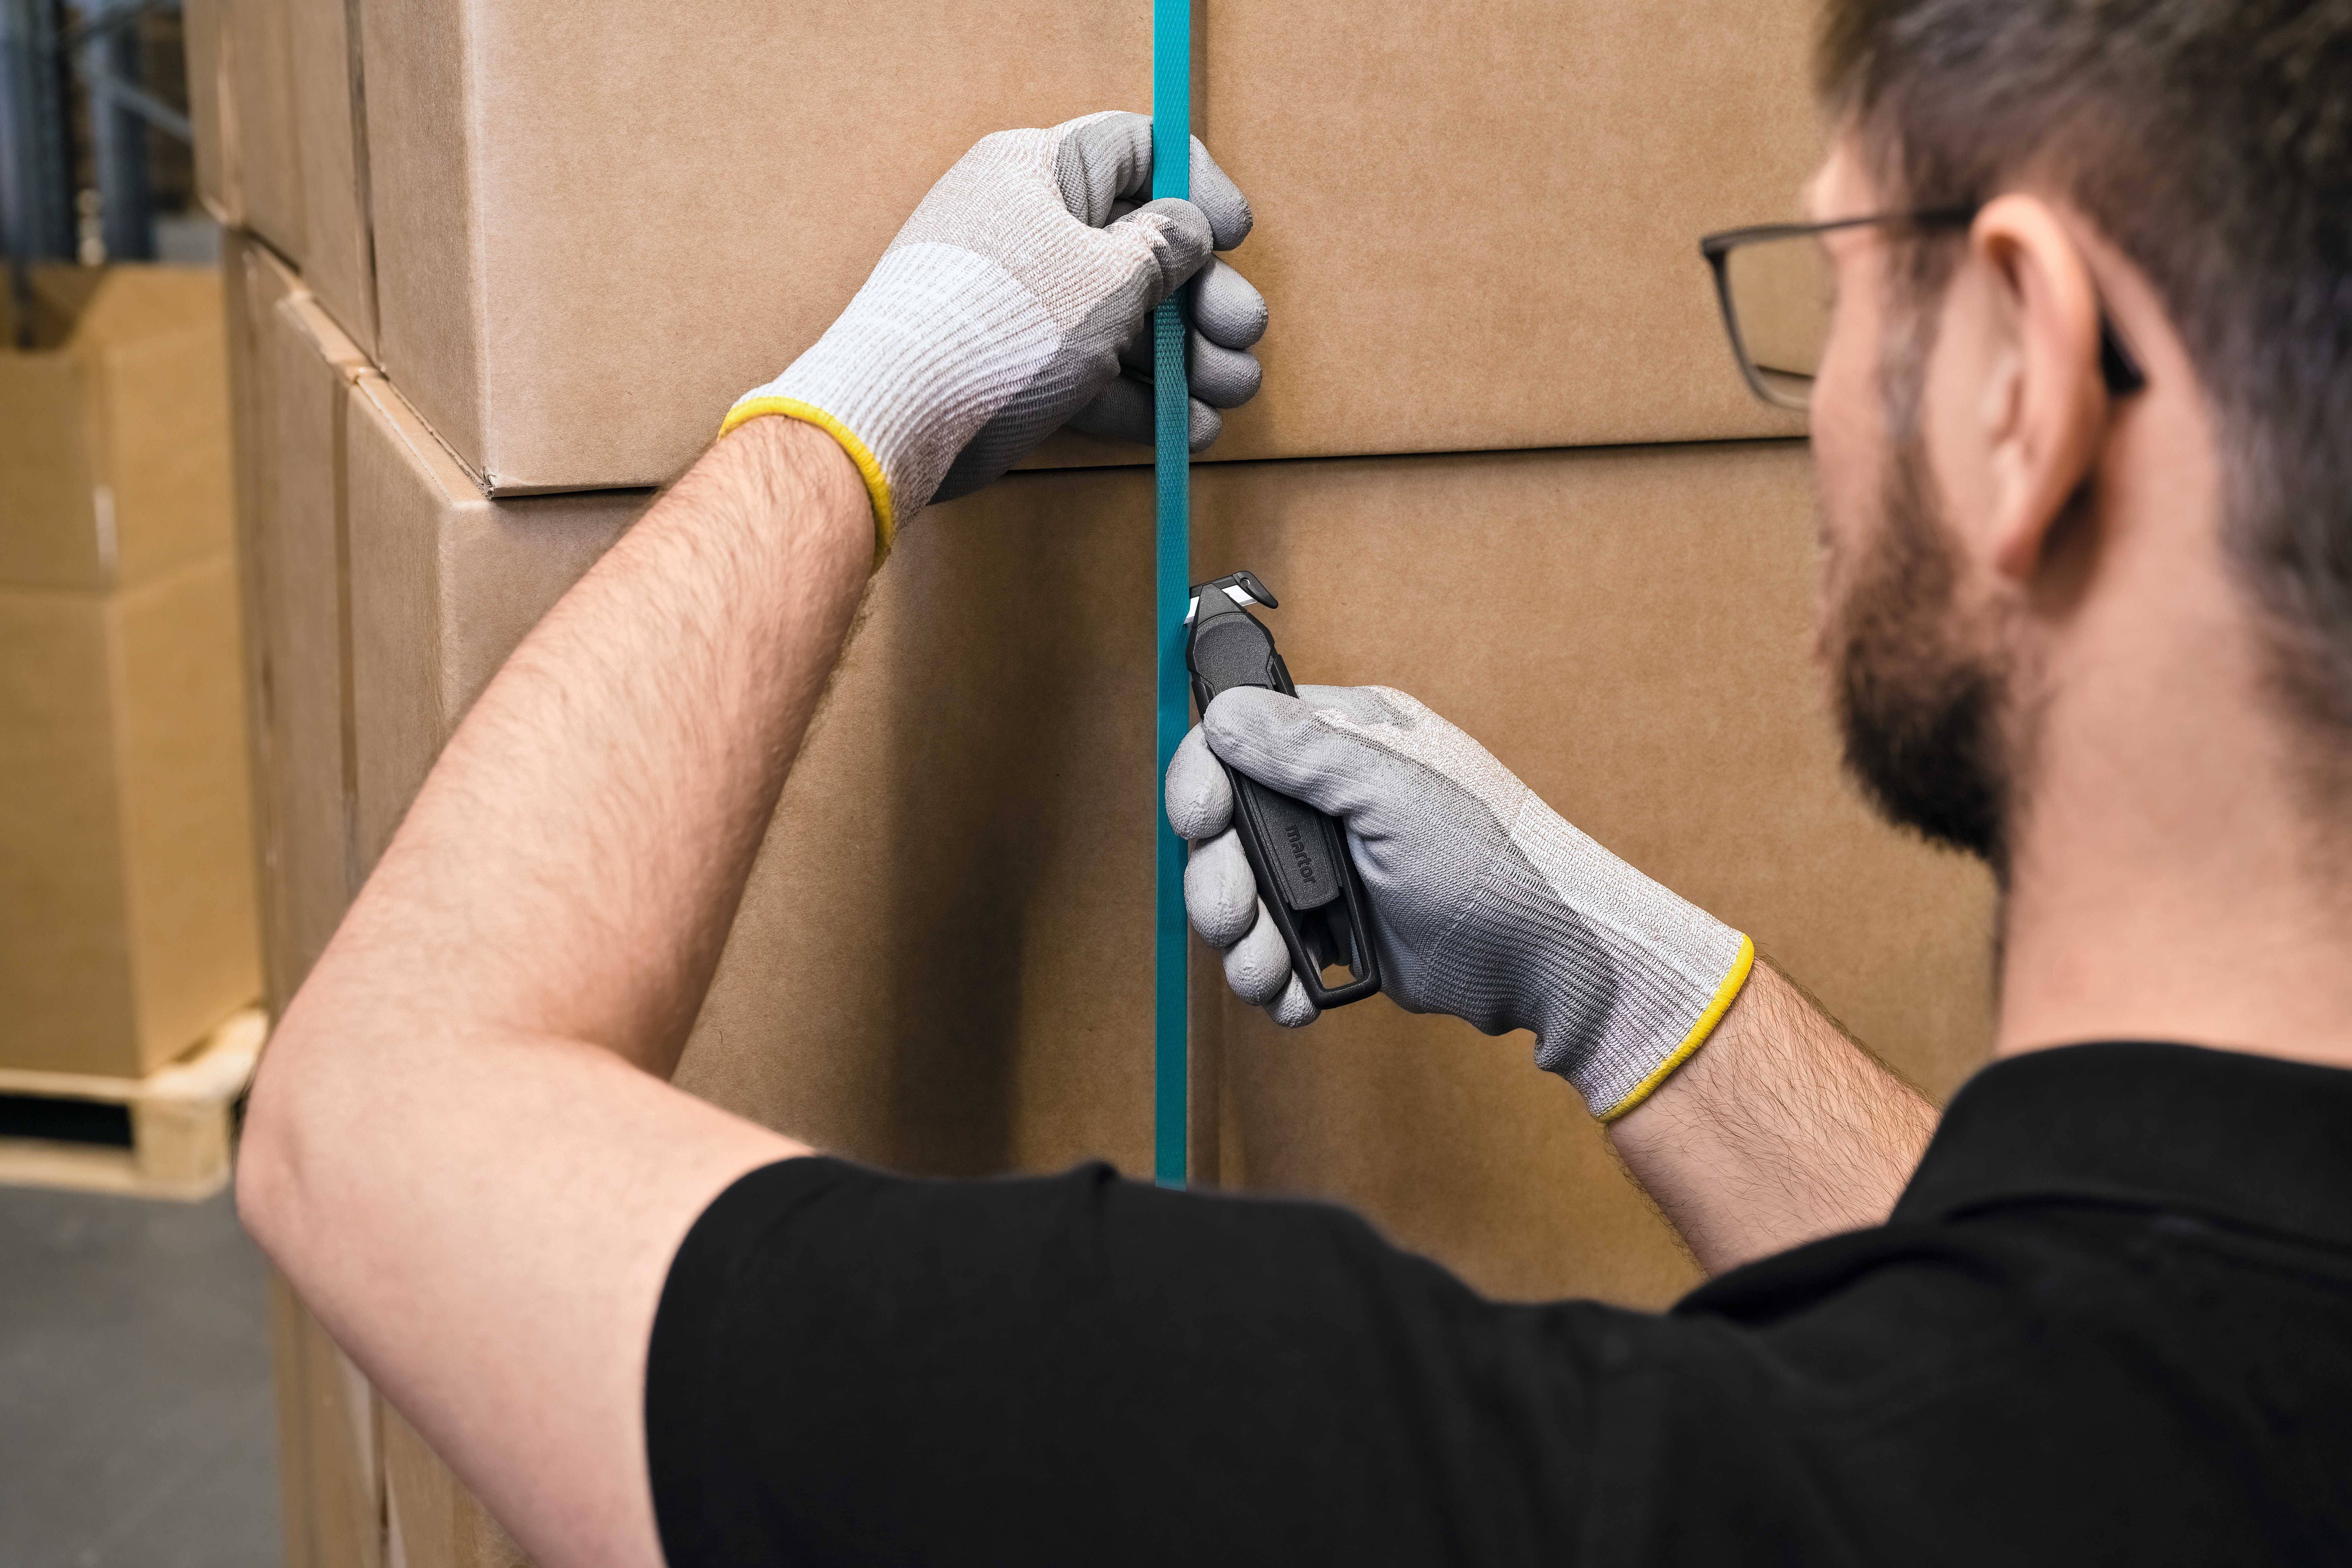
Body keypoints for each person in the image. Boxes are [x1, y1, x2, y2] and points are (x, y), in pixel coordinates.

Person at [235, 0, 2352, 1561]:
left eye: (1833, 296)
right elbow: (2126, 1317)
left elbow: (381, 1117)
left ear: (2022, 377)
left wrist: (877, 395)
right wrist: (1625, 983)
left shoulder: (1455, 1495)